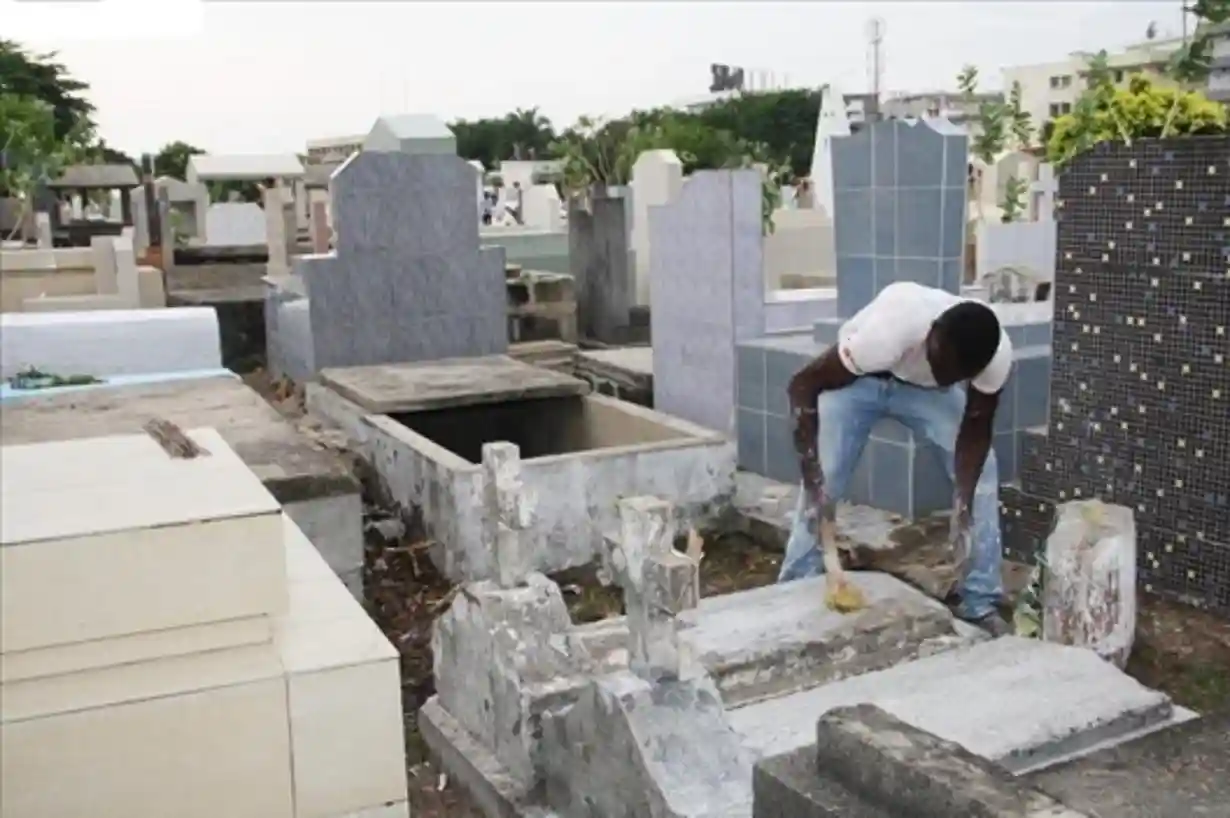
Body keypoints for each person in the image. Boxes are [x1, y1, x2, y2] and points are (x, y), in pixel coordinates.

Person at [782, 281, 1012, 636]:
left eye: (955, 377)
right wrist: (812, 471)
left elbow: (977, 426)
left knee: (982, 479)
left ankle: (979, 601)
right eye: (940, 366)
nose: (944, 377)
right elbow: (802, 385)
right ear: (929, 335)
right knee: (824, 483)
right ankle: (798, 582)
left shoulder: (993, 354)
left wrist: (963, 499)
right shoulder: (888, 331)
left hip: (924, 396)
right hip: (861, 379)